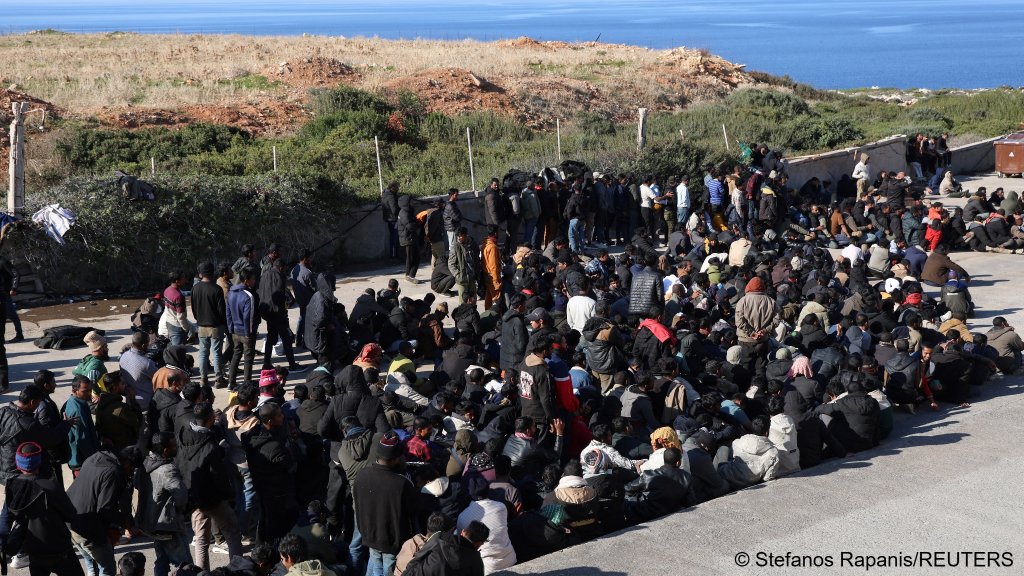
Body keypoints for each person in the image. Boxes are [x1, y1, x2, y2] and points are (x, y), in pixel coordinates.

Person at [177, 403, 242, 570]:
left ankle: (201, 572)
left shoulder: (184, 434)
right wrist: (228, 496)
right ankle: (238, 569)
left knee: (200, 539)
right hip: (213, 499)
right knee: (232, 532)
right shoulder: (210, 446)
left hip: (194, 496)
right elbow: (218, 477)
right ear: (210, 419)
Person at [4, 441, 84, 576]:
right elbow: (71, 515)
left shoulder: (13, 487)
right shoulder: (52, 487)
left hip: (34, 551)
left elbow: (5, 518)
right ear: (39, 462)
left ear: (18, 463)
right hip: (60, 550)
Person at [353, 431, 420, 576]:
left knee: (375, 563)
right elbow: (412, 512)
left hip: (369, 535)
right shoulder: (402, 483)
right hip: (392, 541)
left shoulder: (362, 475)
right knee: (386, 570)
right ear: (396, 458)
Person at [67, 446, 142, 576]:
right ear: (128, 463)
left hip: (69, 520)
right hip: (86, 527)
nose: (131, 473)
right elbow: (105, 509)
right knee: (107, 568)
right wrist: (125, 524)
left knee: (92, 564)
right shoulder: (114, 472)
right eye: (132, 469)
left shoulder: (96, 457)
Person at [135, 432, 191, 576]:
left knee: (162, 559)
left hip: (151, 524)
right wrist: (179, 510)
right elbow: (181, 495)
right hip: (167, 526)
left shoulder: (144, 465)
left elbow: (137, 485)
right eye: (174, 445)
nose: (177, 447)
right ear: (165, 451)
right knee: (185, 565)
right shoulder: (167, 470)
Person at [243, 402, 299, 544]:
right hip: (277, 491)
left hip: (263, 487)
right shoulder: (274, 447)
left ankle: (262, 546)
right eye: (279, 415)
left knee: (265, 520)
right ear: (269, 421)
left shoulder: (255, 434)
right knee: (278, 527)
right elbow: (290, 465)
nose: (283, 417)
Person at [259, 258, 304, 373]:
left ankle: (266, 363)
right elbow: (280, 295)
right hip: (277, 313)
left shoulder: (264, 275)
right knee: (286, 339)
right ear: (280, 267)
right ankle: (292, 365)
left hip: (267, 311)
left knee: (271, 337)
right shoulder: (279, 276)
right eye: (283, 269)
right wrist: (284, 311)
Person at [192, 261, 228, 388]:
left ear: (201, 274)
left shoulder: (195, 288)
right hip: (216, 326)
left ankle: (203, 379)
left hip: (201, 325)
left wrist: (199, 319)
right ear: (212, 273)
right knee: (216, 353)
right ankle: (219, 379)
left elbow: (194, 309)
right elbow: (221, 311)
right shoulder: (216, 289)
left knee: (203, 353)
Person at [227, 266, 261, 390]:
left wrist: (231, 328)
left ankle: (231, 382)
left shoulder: (231, 292)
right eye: (252, 279)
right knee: (248, 358)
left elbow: (228, 313)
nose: (254, 281)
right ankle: (247, 385)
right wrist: (249, 333)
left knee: (236, 355)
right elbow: (249, 317)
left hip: (235, 331)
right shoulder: (248, 296)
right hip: (246, 332)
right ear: (246, 280)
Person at [118, 331, 158, 409]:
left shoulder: (123, 356)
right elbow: (158, 379)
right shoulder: (147, 363)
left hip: (130, 400)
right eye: (148, 343)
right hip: (146, 403)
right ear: (143, 345)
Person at [159, 270, 195, 346]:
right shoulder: (178, 296)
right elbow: (181, 317)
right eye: (183, 278)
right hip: (177, 326)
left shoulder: (167, 290)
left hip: (169, 322)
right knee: (178, 351)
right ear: (177, 281)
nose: (185, 280)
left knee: (174, 348)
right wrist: (186, 329)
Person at [291, 248, 317, 349]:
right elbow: (315, 288)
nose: (311, 260)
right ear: (305, 259)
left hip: (299, 299)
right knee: (308, 321)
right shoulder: (307, 273)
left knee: (302, 318)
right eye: (309, 258)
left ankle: (298, 339)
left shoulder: (294, 270)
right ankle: (306, 342)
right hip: (309, 301)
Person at [397, 194, 424, 284]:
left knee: (415, 256)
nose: (412, 203)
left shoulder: (407, 211)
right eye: (410, 201)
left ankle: (410, 275)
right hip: (408, 238)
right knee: (411, 257)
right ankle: (409, 276)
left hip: (410, 237)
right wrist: (418, 224)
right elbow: (410, 226)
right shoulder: (404, 213)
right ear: (406, 203)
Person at [73, 331, 108, 395]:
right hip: (97, 397)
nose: (107, 349)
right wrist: (97, 393)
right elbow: (92, 380)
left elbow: (75, 371)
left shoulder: (88, 358)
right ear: (100, 348)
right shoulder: (97, 363)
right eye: (106, 347)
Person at [449, 227, 478, 304]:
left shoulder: (473, 244)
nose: (458, 238)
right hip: (462, 280)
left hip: (472, 278)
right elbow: (451, 264)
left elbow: (477, 259)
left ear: (465, 235)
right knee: (462, 303)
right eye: (457, 236)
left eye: (460, 236)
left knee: (473, 300)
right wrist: (458, 275)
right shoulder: (455, 247)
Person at [482, 225, 503, 310]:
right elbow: (493, 266)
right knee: (496, 300)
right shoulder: (492, 247)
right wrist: (496, 282)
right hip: (492, 277)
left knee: (488, 298)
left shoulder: (485, 243)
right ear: (495, 233)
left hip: (486, 275)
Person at [383, 182, 401, 260]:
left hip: (389, 219)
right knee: (394, 238)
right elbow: (394, 209)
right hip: (393, 219)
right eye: (397, 187)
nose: (398, 189)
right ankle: (394, 255)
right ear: (392, 188)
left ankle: (394, 255)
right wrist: (400, 213)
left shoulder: (385, 194)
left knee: (393, 237)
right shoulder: (391, 197)